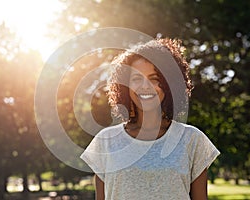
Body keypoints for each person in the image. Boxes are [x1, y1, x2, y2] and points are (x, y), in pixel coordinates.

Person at [80, 38, 220, 200]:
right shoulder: (106, 141)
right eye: (137, 79)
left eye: (154, 79)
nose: (145, 86)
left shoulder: (193, 140)